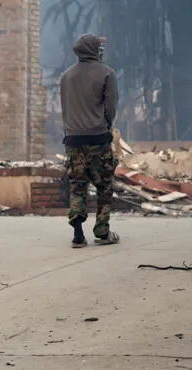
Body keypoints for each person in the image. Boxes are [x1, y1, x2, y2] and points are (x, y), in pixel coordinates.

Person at [60, 33, 120, 248]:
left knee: (77, 185)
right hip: (98, 138)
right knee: (104, 185)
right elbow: (110, 106)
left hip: (72, 139)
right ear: (94, 49)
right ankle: (102, 232)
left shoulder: (66, 76)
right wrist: (106, 125)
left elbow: (65, 109)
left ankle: (78, 234)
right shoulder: (107, 73)